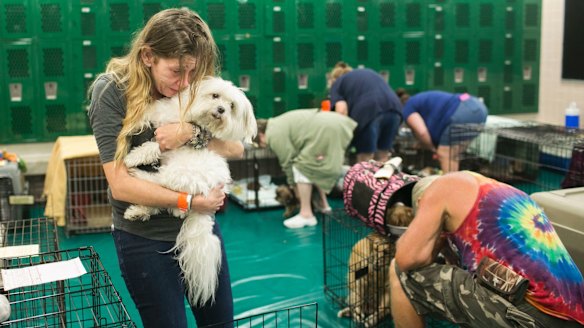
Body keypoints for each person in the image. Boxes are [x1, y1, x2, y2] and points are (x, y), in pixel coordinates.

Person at [88, 8, 243, 327]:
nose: (184, 82)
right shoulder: (111, 91)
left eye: (191, 72)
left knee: (220, 322)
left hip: (199, 226)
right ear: (148, 56)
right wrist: (189, 201)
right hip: (145, 237)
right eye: (175, 71)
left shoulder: (195, 86)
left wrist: (192, 133)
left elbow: (236, 146)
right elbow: (121, 185)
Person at [389, 171, 584, 328]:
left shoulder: (440, 189)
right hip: (572, 314)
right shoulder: (501, 191)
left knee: (399, 272)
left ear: (422, 201)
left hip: (535, 315)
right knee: (469, 283)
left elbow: (405, 259)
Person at [255, 109, 357, 229]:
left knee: (302, 167)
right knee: (315, 166)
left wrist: (295, 187)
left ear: (261, 135)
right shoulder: (276, 123)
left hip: (326, 129)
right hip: (334, 124)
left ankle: (306, 215)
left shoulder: (273, 134)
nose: (263, 147)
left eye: (259, 144)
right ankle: (324, 206)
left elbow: (288, 161)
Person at [328, 61, 403, 163]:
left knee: (365, 159)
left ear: (333, 79)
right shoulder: (366, 73)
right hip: (395, 110)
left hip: (369, 112)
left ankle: (363, 179)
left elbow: (341, 112)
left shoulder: (338, 83)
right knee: (382, 157)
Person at [400, 90, 488, 173]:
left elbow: (422, 132)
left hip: (463, 111)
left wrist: (433, 149)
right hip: (476, 106)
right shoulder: (418, 99)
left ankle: (450, 187)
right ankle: (456, 182)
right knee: (453, 156)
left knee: (445, 154)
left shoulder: (408, 108)